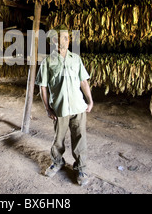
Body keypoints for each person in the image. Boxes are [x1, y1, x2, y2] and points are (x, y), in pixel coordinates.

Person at [35, 24, 93, 186]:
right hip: (60, 107)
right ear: (55, 40)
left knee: (80, 137)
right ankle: (57, 161)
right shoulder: (48, 61)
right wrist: (47, 108)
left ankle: (81, 167)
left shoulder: (76, 59)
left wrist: (90, 100)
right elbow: (43, 87)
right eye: (63, 38)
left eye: (68, 38)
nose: (67, 41)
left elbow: (83, 81)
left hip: (77, 107)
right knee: (58, 139)